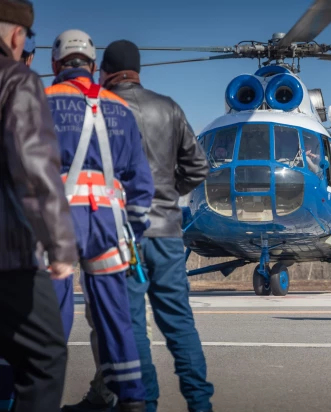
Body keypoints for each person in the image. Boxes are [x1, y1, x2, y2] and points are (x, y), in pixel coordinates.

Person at [63, 39, 213, 412]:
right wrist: (166, 195)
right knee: (179, 324)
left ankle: (144, 403)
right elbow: (198, 166)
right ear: (138, 70)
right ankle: (200, 404)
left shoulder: (102, 109)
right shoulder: (169, 108)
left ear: (106, 71)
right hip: (166, 233)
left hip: (121, 233)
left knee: (130, 327)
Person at [46, 29, 155, 412]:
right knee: (115, 318)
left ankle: (37, 399)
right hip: (109, 224)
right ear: (93, 67)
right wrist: (133, 231)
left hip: (58, 222)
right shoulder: (119, 109)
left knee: (50, 321)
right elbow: (142, 183)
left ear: (56, 64)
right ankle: (133, 401)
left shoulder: (42, 102)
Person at [0, 1, 78, 411]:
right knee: (46, 357)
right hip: (8, 254)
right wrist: (60, 247)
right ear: (17, 35)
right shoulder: (17, 80)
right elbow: (33, 170)